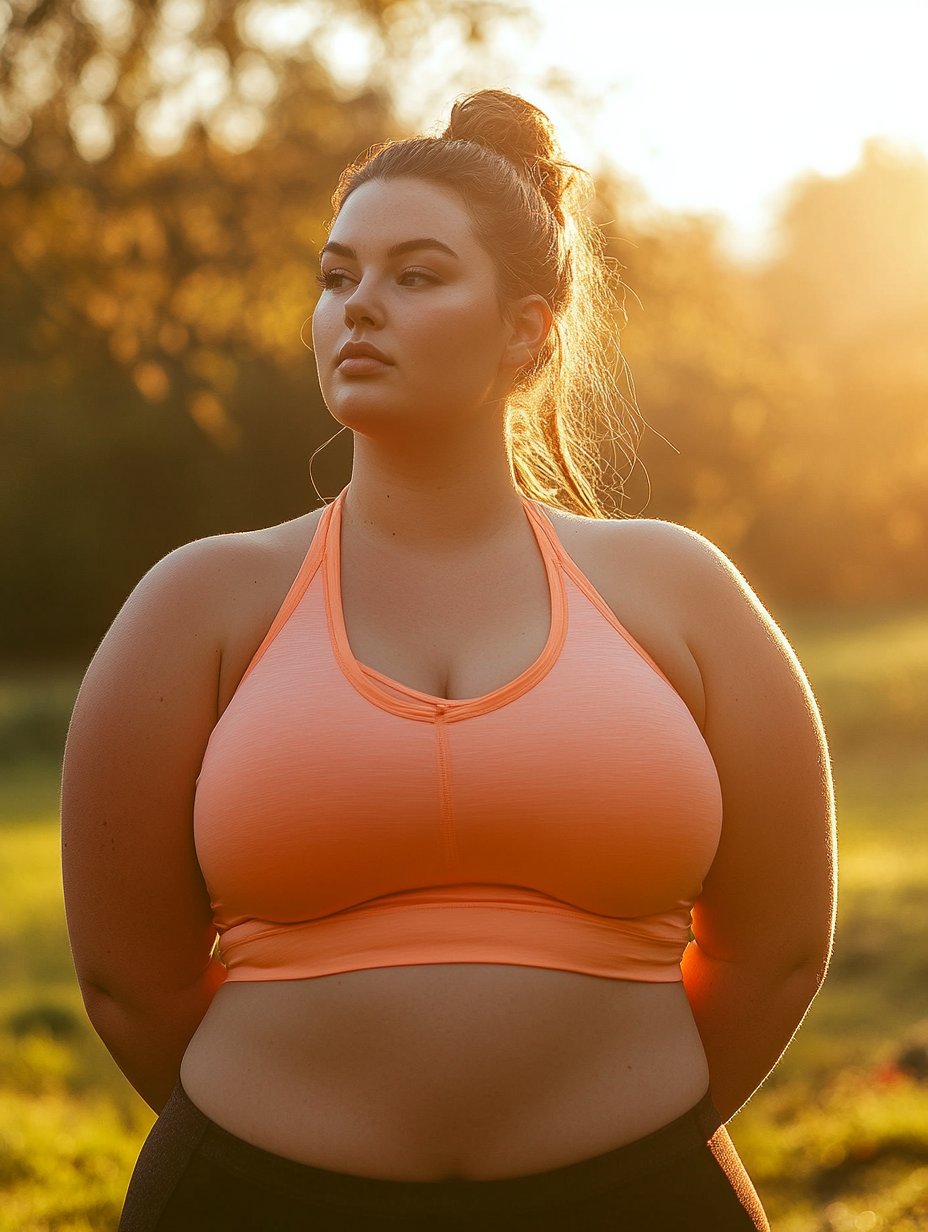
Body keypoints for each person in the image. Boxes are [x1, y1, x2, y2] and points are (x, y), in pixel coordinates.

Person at [62, 90, 836, 1231]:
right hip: (254, 1197)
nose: (358, 307)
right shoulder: (201, 599)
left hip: (638, 1195)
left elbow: (776, 945)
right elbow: (129, 980)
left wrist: (623, 1133)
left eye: (414, 276)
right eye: (337, 277)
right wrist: (287, 1140)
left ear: (525, 329)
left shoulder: (679, 591)